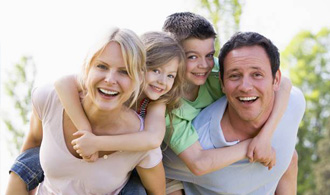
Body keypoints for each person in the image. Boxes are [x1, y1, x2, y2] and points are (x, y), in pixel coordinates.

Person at [6, 31, 185, 195]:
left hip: (129, 170)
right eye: (156, 71)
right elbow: (62, 82)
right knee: (25, 163)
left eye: (171, 76)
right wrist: (86, 129)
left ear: (136, 73)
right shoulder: (69, 93)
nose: (162, 81)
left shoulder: (155, 104)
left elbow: (152, 140)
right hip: (76, 166)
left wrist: (96, 143)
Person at [161, 12, 293, 195]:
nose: (204, 65)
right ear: (171, 55)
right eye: (192, 57)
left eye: (209, 55)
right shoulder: (167, 103)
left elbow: (284, 83)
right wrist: (251, 146)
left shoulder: (215, 72)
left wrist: (265, 136)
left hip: (215, 146)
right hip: (174, 164)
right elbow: (198, 163)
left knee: (289, 157)